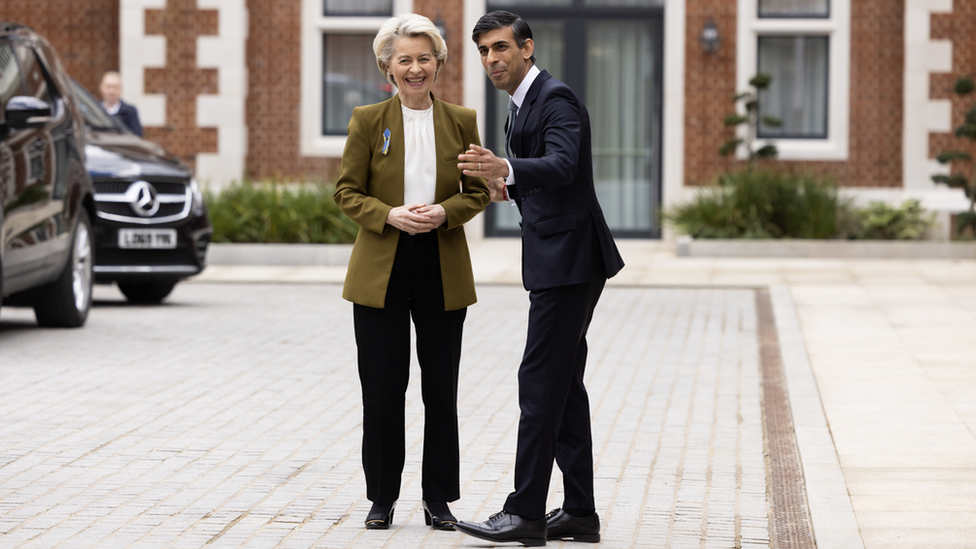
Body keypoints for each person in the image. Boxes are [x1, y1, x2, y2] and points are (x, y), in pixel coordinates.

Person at [454, 10, 625, 547]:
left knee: (539, 382)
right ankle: (579, 512)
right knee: (564, 386)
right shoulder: (519, 103)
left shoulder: (555, 98)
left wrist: (506, 169)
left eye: (501, 48)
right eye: (483, 51)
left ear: (527, 48)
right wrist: (512, 185)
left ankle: (525, 512)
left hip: (572, 261)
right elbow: (545, 176)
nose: (492, 59)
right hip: (558, 258)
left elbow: (564, 163)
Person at [333, 13, 490, 532]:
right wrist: (389, 215)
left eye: (425, 58)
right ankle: (382, 498)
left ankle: (439, 500)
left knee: (440, 389)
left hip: (441, 265)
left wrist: (446, 212)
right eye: (406, 59)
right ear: (388, 66)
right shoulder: (366, 119)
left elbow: (477, 192)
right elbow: (347, 192)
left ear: (439, 64)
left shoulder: (462, 120)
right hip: (382, 265)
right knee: (381, 389)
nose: (416, 68)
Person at [99, 71, 143, 136]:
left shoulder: (130, 112)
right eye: (108, 87)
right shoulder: (95, 111)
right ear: (101, 88)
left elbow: (137, 137)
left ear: (120, 89)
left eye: (115, 87)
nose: (111, 91)